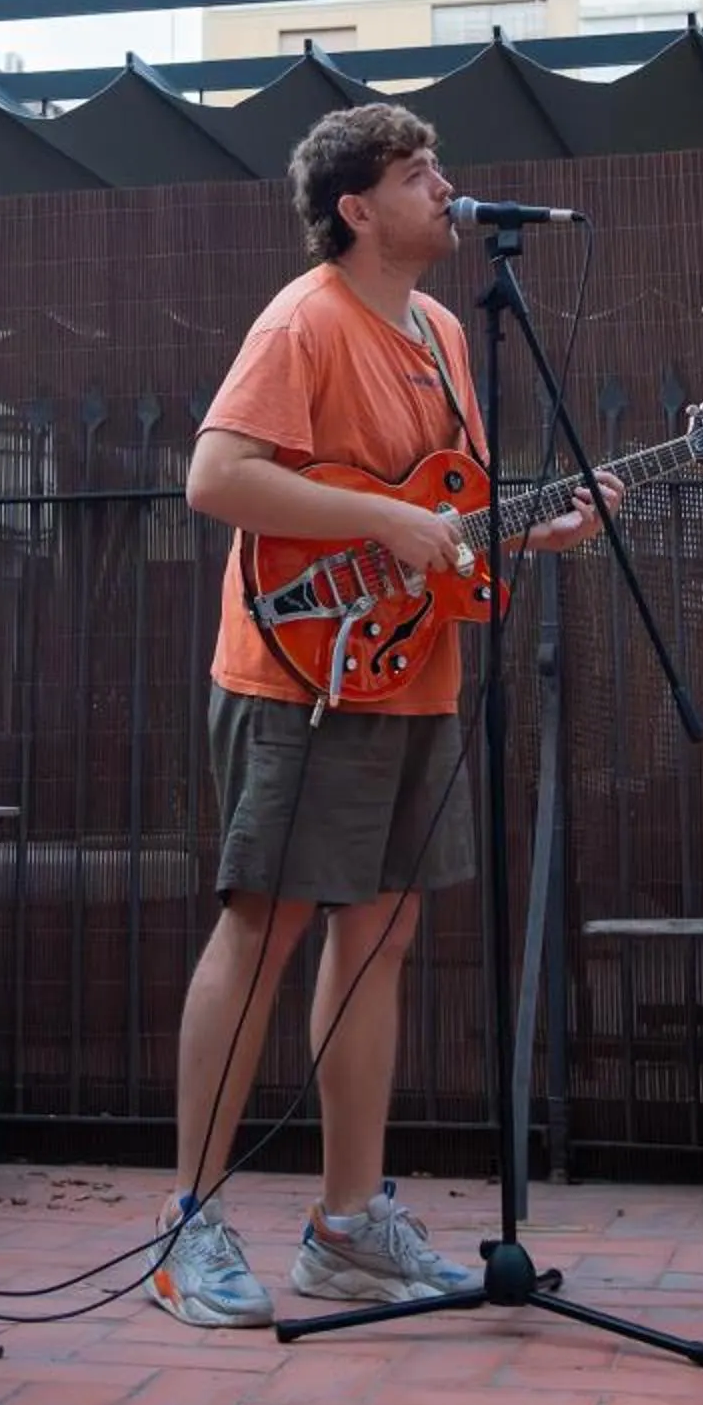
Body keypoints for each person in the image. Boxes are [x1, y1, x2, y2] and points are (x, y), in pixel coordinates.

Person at [151, 102, 620, 1327]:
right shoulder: (302, 320)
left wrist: (539, 526)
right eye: (419, 174)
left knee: (380, 939)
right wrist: (383, 522)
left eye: (438, 166)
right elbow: (215, 478)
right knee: (264, 930)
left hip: (409, 669)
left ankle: (348, 1227)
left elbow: (441, 511)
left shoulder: (445, 333)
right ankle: (186, 1228)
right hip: (298, 676)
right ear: (356, 210)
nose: (445, 188)